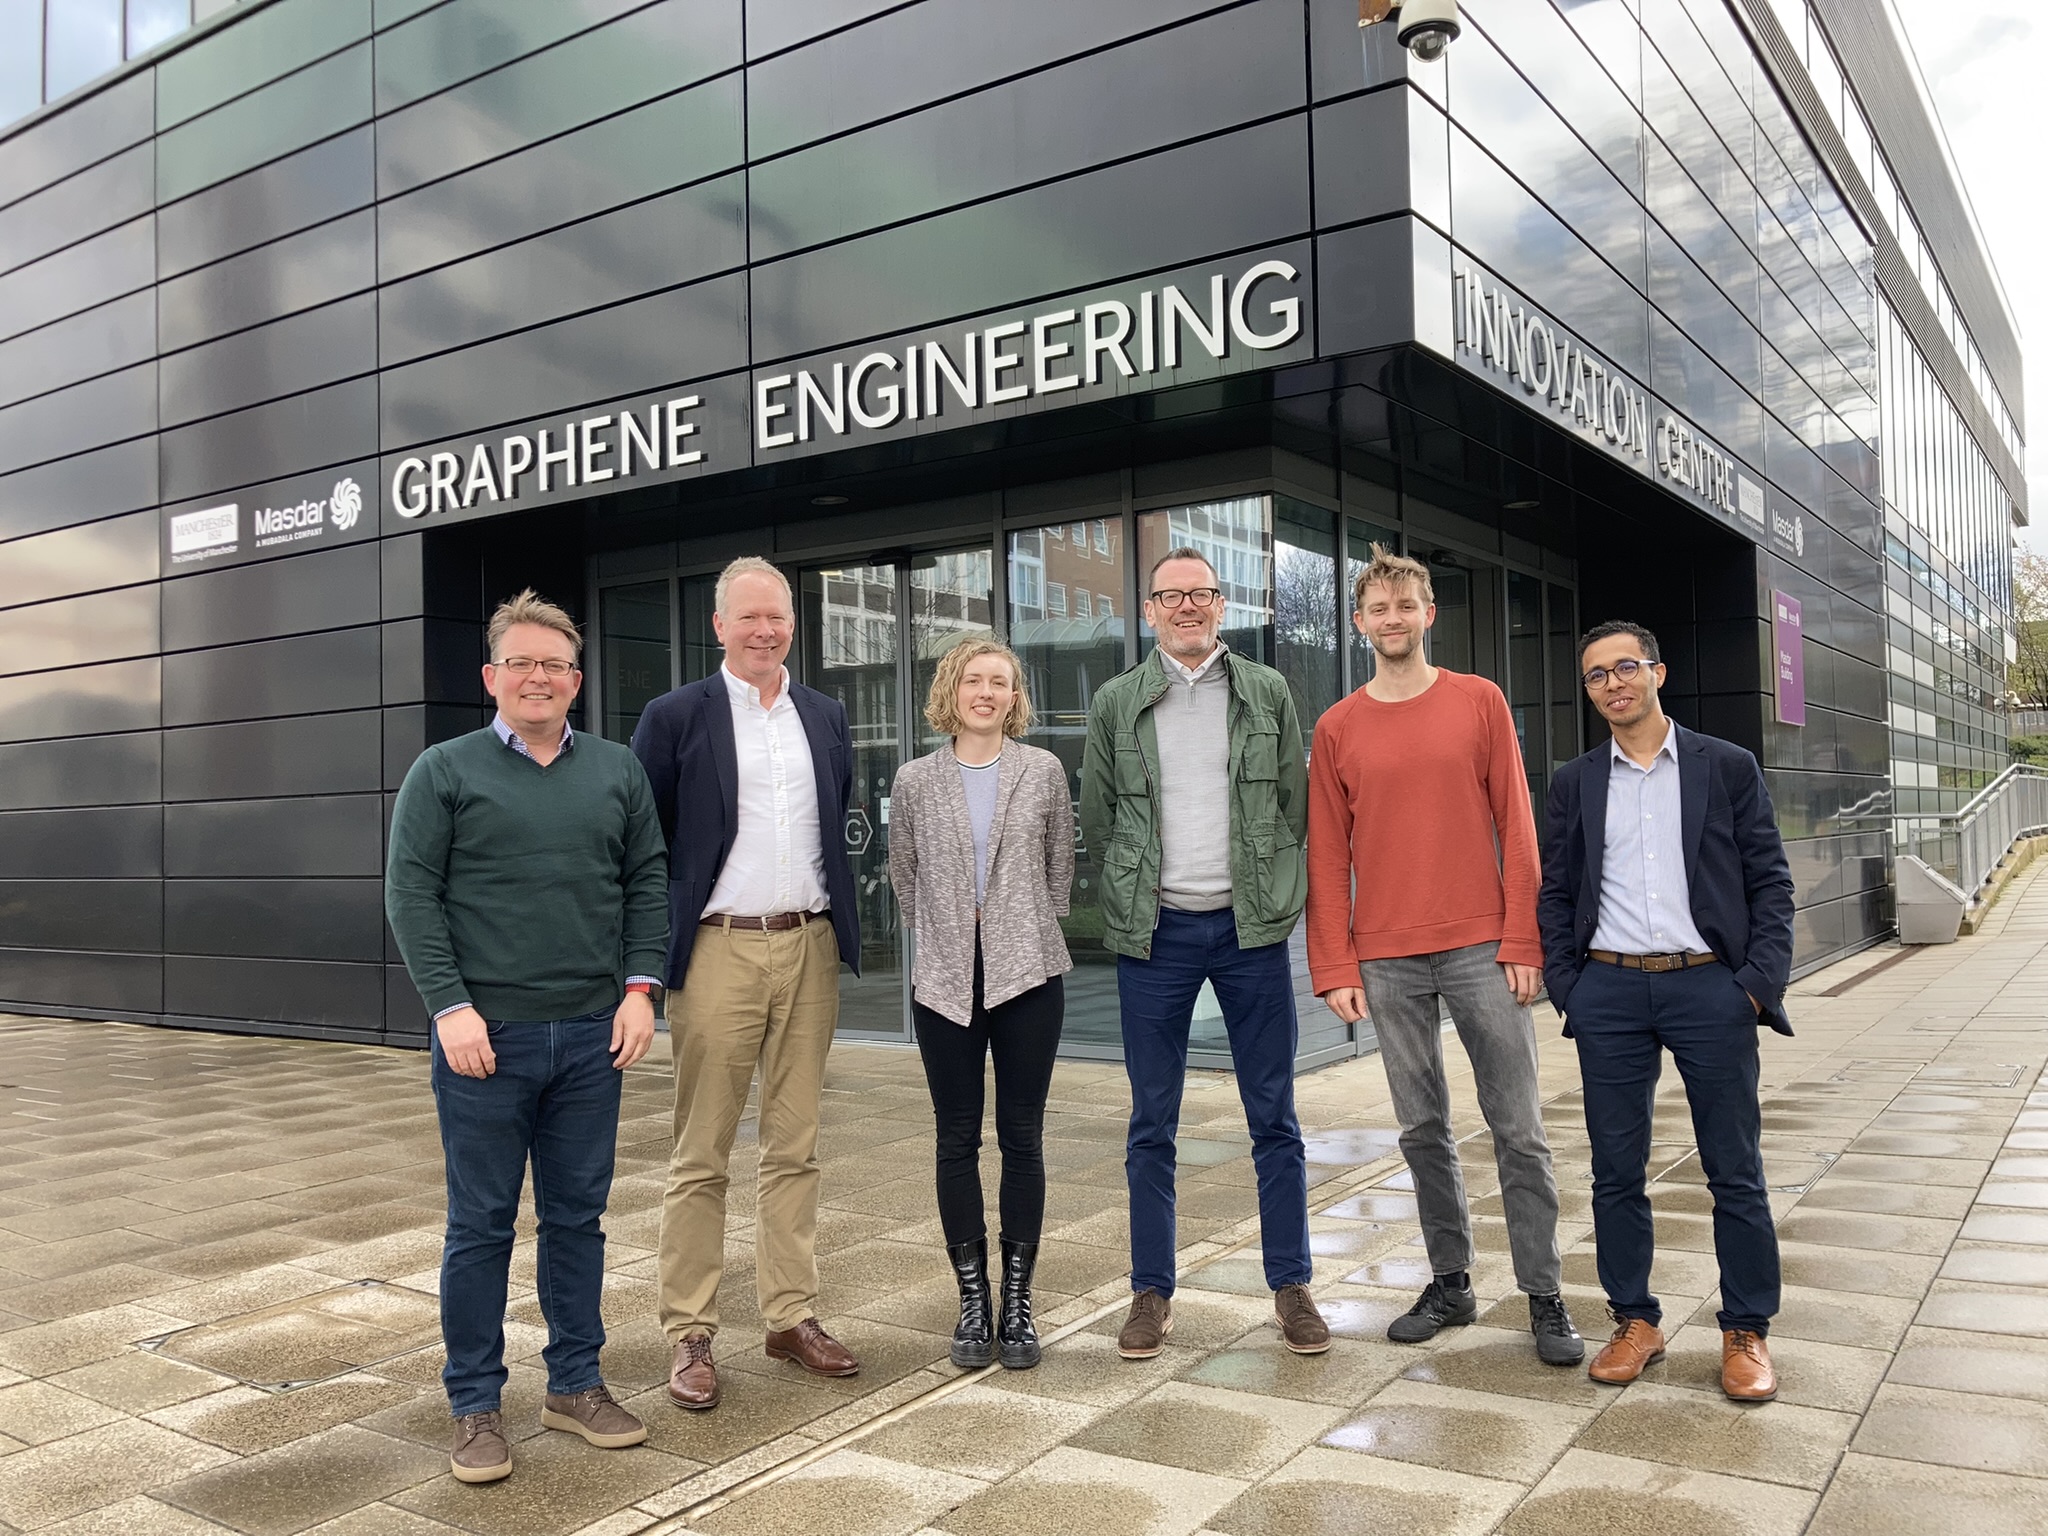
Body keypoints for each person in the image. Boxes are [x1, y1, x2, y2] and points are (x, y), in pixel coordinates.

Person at [386, 589, 667, 1484]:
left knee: (579, 1219)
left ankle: (575, 1384)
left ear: (575, 681)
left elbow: (647, 883)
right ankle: (474, 1405)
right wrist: (450, 1007)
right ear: (491, 677)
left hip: (593, 1036)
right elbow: (411, 895)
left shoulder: (617, 769)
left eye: (553, 665)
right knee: (480, 1225)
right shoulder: (444, 770)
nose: (537, 677)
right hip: (487, 1039)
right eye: (521, 663)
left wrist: (640, 991)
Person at [1306, 545, 1581, 1366]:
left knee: (1519, 1129)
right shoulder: (1337, 727)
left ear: (1429, 614)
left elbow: (1518, 826)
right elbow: (1326, 853)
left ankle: (1543, 1291)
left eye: (1405, 606)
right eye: (1377, 610)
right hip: (1384, 958)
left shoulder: (1479, 702)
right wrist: (1333, 964)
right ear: (1360, 625)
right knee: (1422, 1128)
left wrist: (1525, 938)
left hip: (1481, 948)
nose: (1393, 620)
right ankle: (1451, 1281)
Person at [1080, 545, 1328, 1360]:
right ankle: (1151, 1293)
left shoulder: (1266, 690)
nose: (1187, 606)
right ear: (1149, 610)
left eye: (1201, 593)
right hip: (1155, 937)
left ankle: (1292, 1286)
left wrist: (1280, 898)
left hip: (1249, 931)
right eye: (1170, 596)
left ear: (1221, 605)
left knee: (1275, 1118)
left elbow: (1294, 806)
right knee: (1152, 1121)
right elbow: (1101, 813)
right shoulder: (1117, 701)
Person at [1538, 619, 1795, 1402]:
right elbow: (1554, 890)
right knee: (1615, 1171)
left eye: (1625, 668)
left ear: (1657, 671)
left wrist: (1754, 983)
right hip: (1609, 990)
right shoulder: (1574, 780)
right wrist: (1569, 985)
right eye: (1596, 676)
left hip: (1709, 987)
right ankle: (1635, 1322)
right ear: (1588, 692)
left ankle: (1745, 1329)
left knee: (1735, 1168)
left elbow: (1771, 882)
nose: (1612, 684)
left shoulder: (1727, 767)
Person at [630, 557, 862, 1411]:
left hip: (808, 944)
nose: (767, 631)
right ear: (720, 624)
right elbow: (640, 845)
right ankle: (690, 1331)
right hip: (719, 950)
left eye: (780, 618)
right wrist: (645, 963)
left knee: (796, 1144)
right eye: (750, 617)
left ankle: (789, 1315)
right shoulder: (674, 717)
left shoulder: (825, 715)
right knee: (703, 1153)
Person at [889, 635, 1074, 1370]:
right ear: (952, 691)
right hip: (944, 981)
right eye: (975, 680)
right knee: (955, 1136)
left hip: (1028, 974)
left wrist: (1015, 926)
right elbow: (904, 875)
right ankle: (974, 1300)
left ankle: (1020, 1303)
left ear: (1014, 697)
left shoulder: (1044, 771)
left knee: (1022, 1135)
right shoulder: (913, 781)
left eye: (1001, 682)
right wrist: (948, 933)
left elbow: (1061, 864)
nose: (987, 693)